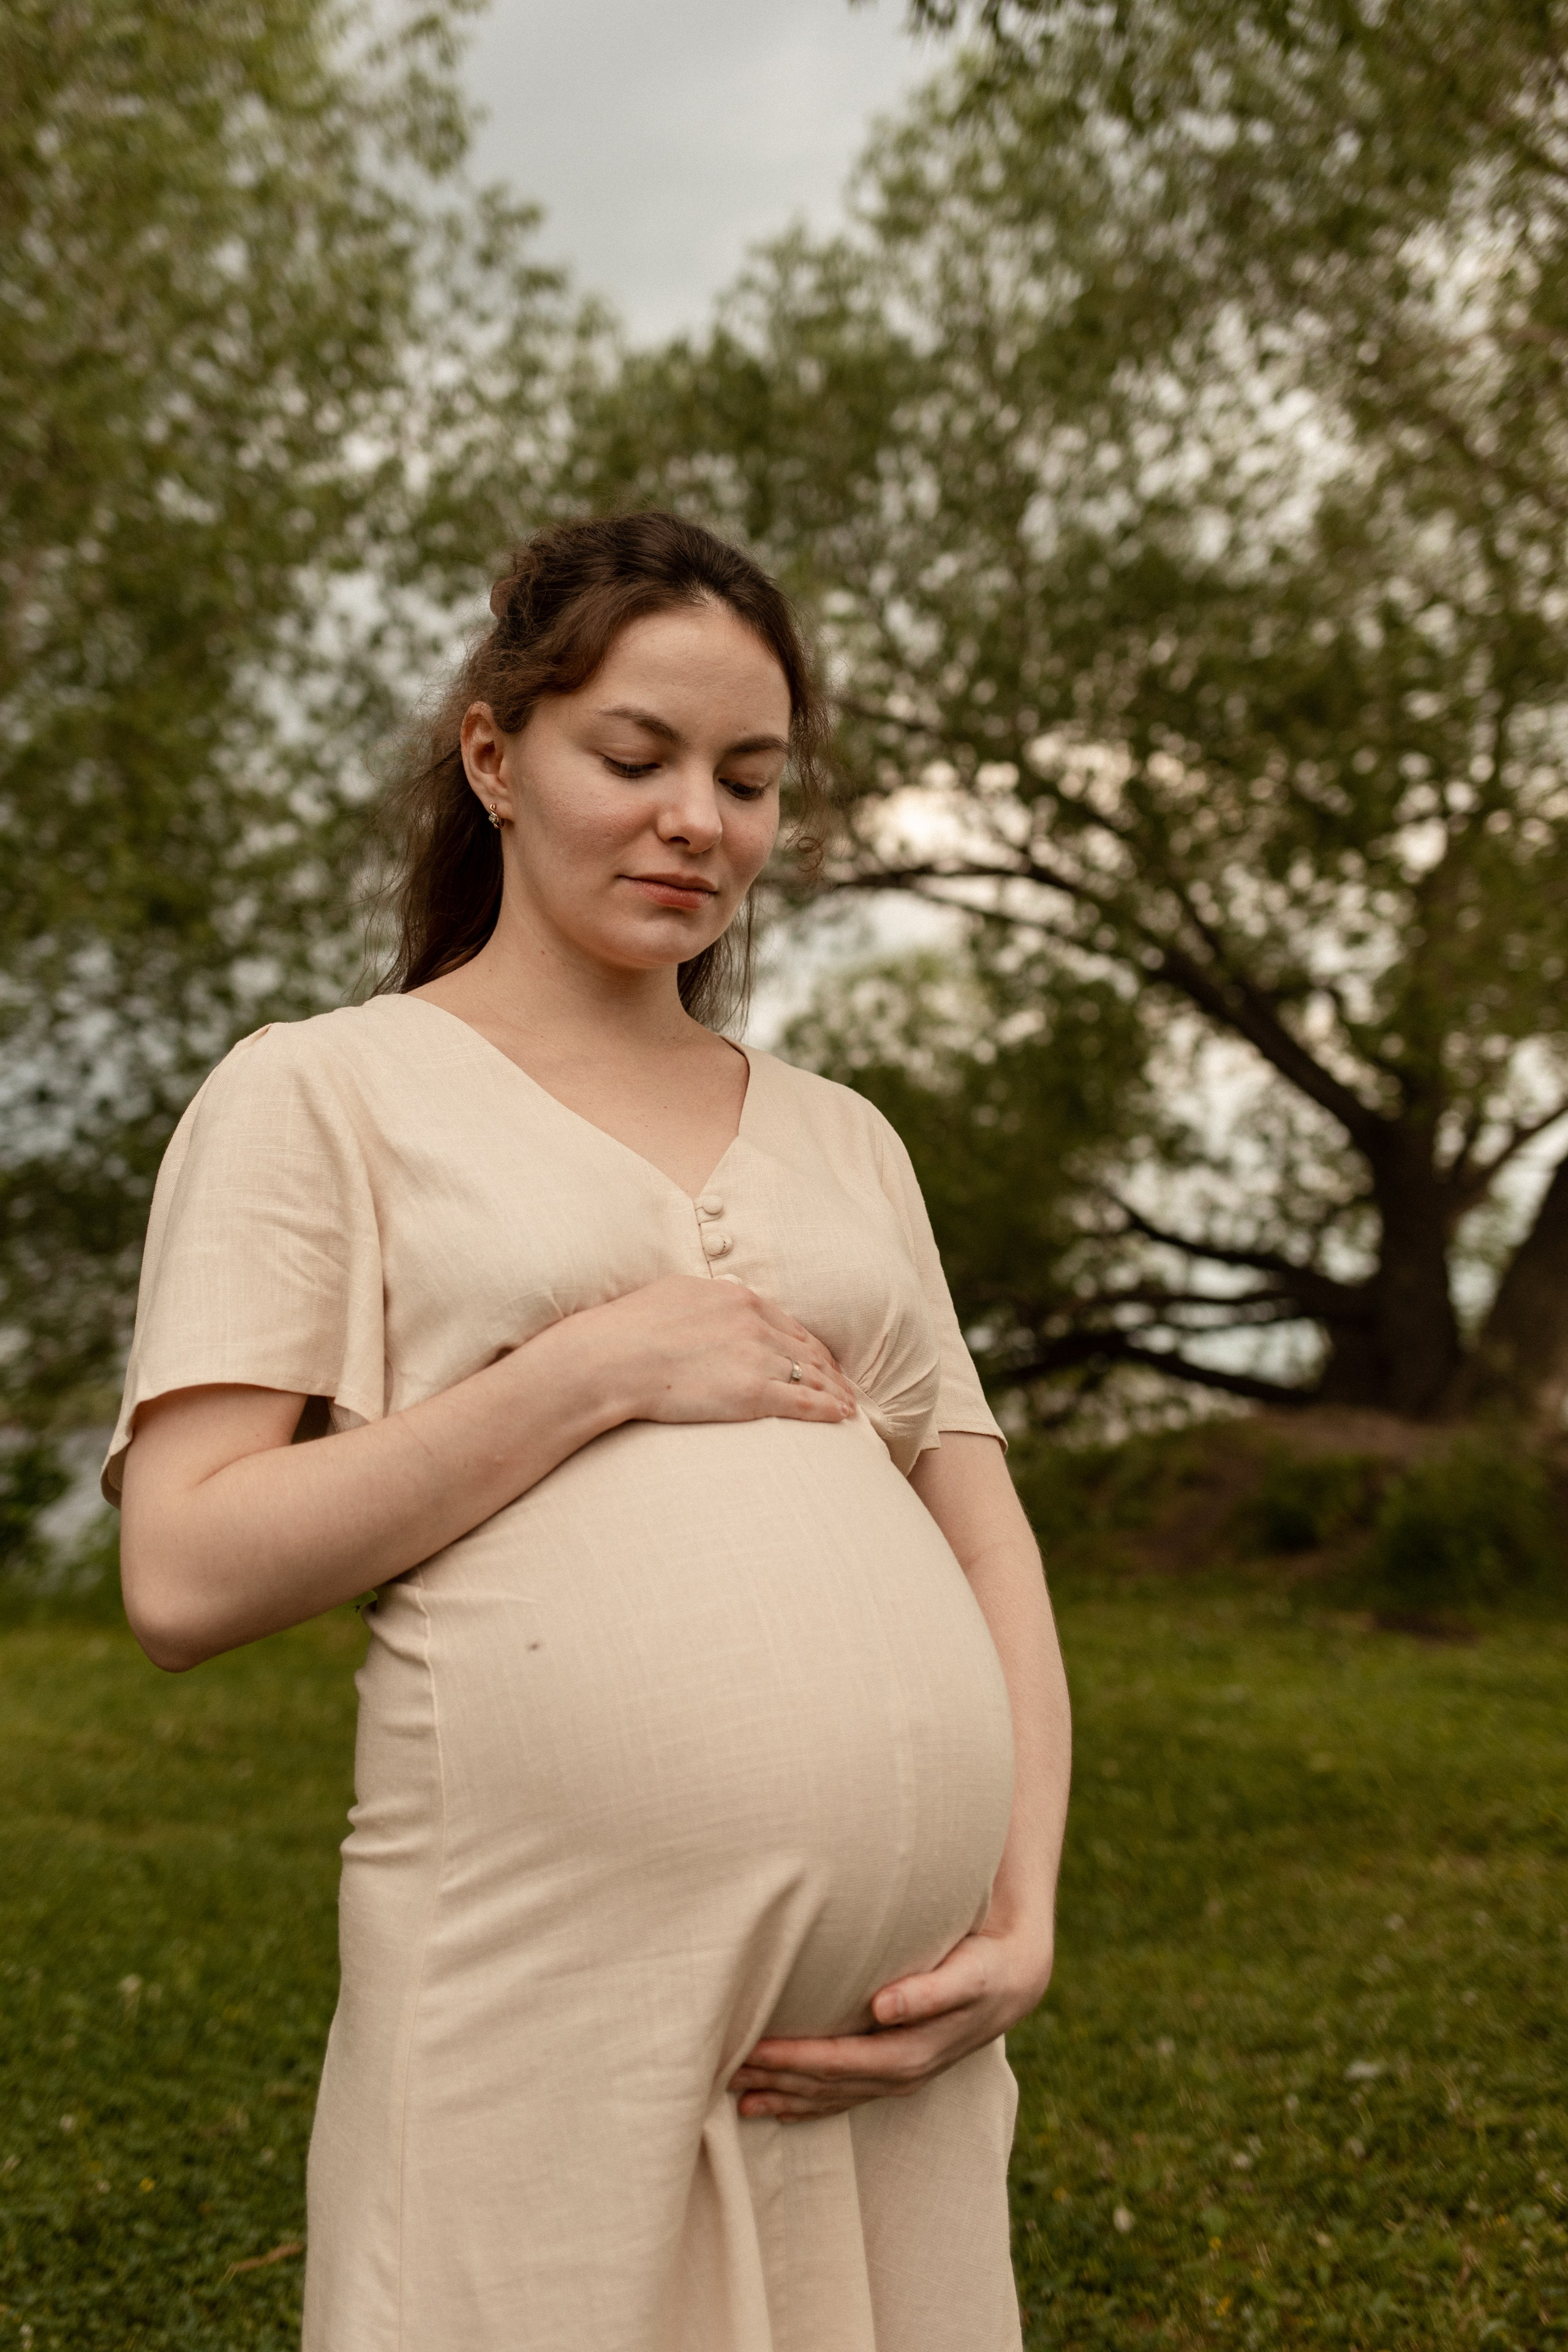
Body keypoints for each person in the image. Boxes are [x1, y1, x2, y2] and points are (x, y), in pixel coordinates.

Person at [107, 512, 1072, 2352]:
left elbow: (984, 1537)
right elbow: (183, 1566)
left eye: (749, 777)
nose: (696, 820)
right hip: (543, 2022)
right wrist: (591, 1371)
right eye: (633, 758)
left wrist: (1018, 1907)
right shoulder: (322, 1094)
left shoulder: (845, 1135)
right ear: (495, 757)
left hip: (896, 2047)